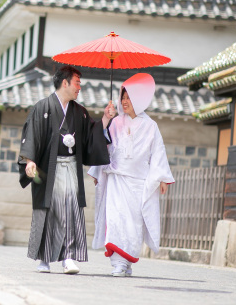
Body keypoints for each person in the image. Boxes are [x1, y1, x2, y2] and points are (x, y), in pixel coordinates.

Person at [18, 65, 116, 274]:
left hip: (70, 166)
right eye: (77, 82)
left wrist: (106, 119)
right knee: (48, 210)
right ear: (65, 83)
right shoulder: (42, 108)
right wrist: (29, 160)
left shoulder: (79, 112)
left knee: (71, 211)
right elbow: (32, 135)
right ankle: (44, 259)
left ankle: (68, 257)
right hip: (48, 169)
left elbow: (91, 135)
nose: (80, 87)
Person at [88, 73, 174, 277]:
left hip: (138, 183)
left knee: (133, 223)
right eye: (122, 97)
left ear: (140, 99)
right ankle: (117, 263)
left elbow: (158, 152)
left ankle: (126, 261)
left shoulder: (151, 126)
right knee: (116, 219)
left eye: (128, 97)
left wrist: (162, 177)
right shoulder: (116, 122)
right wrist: (97, 169)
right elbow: (104, 146)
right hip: (117, 180)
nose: (124, 101)